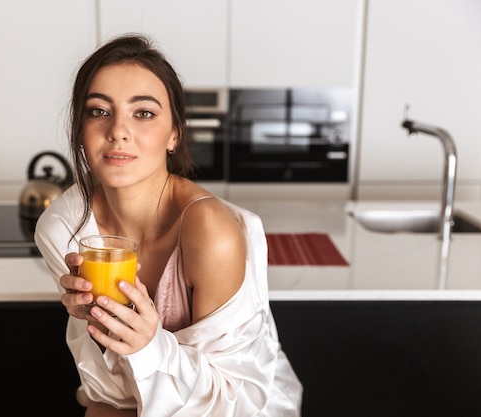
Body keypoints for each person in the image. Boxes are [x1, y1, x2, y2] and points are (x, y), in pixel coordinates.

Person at [34, 34, 302, 416]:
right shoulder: (64, 229)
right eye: (98, 111)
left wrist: (148, 346)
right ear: (80, 131)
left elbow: (230, 401)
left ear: (175, 133)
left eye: (143, 113)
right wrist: (98, 333)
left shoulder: (211, 233)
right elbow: (109, 393)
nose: (118, 131)